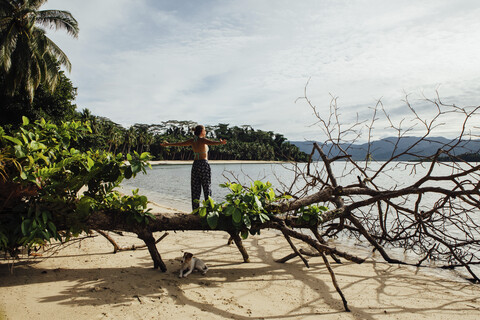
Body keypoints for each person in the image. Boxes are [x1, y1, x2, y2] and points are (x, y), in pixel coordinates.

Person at [160, 125, 227, 210]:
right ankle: (209, 210)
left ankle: (195, 211)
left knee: (195, 189)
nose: (205, 132)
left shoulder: (192, 141)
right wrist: (220, 143)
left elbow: (180, 144)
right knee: (207, 188)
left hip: (195, 165)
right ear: (201, 132)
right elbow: (212, 142)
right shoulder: (202, 140)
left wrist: (168, 144)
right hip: (203, 164)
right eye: (205, 130)